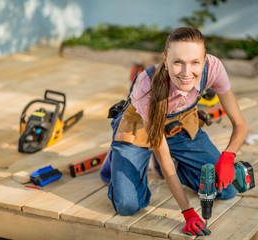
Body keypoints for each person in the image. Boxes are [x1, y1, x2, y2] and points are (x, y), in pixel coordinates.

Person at [100, 26, 248, 236]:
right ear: (166, 60)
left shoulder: (213, 68)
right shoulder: (146, 85)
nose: (187, 73)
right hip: (139, 128)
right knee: (128, 205)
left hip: (180, 125)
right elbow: (164, 158)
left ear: (204, 60)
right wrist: (188, 212)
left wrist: (228, 156)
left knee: (226, 189)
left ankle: (174, 165)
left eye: (195, 62)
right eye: (178, 62)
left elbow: (240, 125)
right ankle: (117, 156)